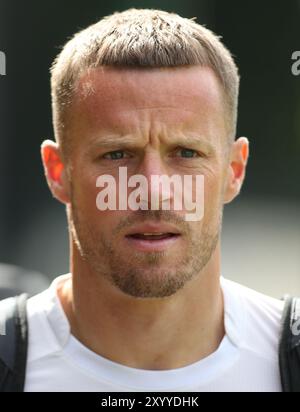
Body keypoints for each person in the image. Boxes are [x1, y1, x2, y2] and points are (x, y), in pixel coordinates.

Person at [24, 8, 285, 391]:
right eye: (116, 155)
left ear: (234, 170)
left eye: (186, 153)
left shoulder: (285, 358)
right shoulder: (13, 358)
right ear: (58, 172)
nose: (153, 189)